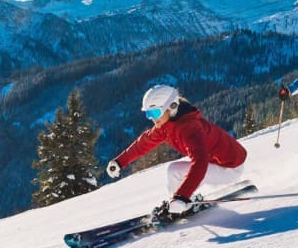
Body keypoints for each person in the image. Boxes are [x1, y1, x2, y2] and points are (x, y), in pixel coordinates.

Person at [104, 84, 247, 220]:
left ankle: (182, 204)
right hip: (215, 164)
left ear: (172, 107)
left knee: (175, 171)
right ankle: (180, 203)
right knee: (173, 171)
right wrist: (119, 161)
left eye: (155, 112)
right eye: (148, 113)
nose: (152, 118)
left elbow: (200, 162)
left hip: (229, 167)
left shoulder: (190, 129)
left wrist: (182, 196)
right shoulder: (166, 125)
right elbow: (144, 142)